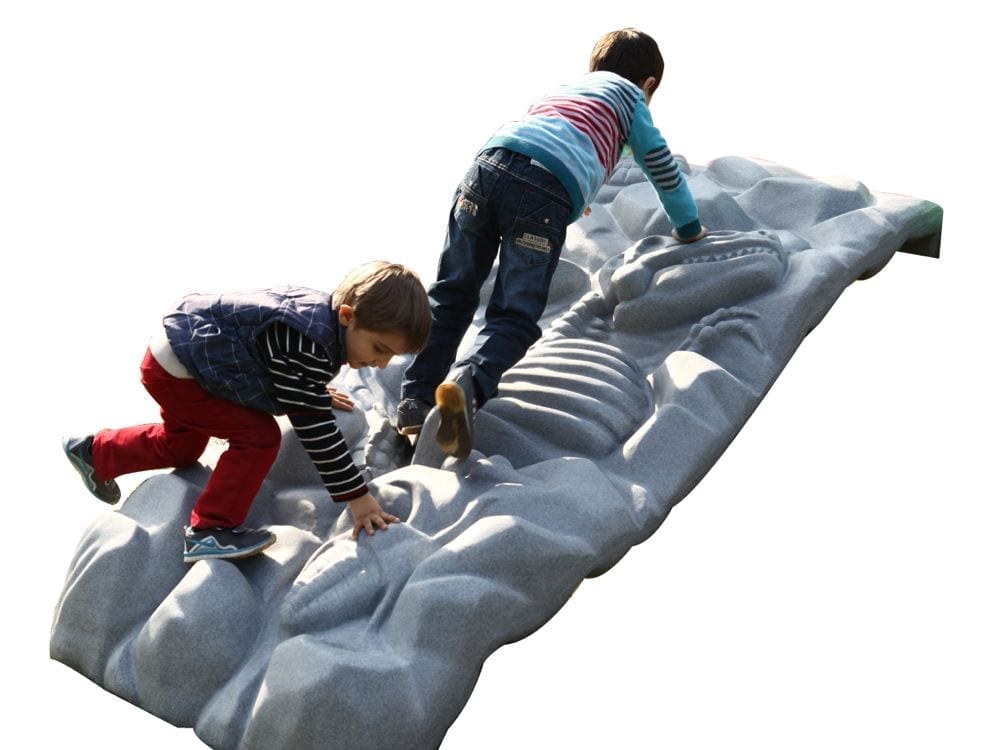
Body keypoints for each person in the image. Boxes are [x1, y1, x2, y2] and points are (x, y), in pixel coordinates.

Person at [396, 28, 706, 458]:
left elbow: (565, 142)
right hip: (543, 194)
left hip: (487, 167)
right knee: (516, 315)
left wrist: (580, 189)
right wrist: (689, 226)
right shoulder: (632, 99)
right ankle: (468, 384)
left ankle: (415, 398)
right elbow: (658, 163)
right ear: (650, 84)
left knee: (453, 291)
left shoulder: (568, 90)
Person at [63, 261, 431, 562]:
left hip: (179, 359)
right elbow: (314, 428)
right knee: (259, 437)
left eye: (389, 357)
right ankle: (210, 529)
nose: (381, 364)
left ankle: (96, 453)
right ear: (349, 315)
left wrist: (311, 390)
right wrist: (358, 497)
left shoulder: (322, 319)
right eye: (379, 348)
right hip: (186, 374)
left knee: (184, 447)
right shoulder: (309, 342)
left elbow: (283, 370)